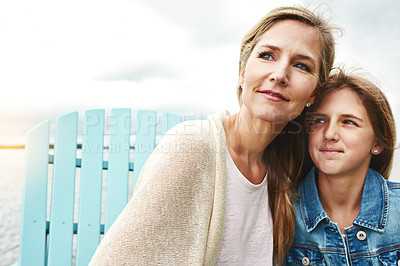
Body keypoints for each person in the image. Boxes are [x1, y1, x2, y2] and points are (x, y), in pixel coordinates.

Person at [90, 6, 336, 265]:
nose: (280, 75)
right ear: (242, 72)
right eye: (267, 56)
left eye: (301, 65)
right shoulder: (191, 148)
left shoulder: (287, 173)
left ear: (313, 95)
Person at [285, 70, 399, 265]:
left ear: (378, 143)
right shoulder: (282, 212)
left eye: (348, 122)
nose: (329, 134)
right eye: (320, 120)